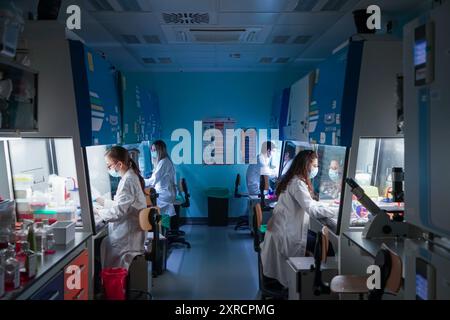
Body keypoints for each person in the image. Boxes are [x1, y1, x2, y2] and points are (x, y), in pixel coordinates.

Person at [260, 150, 338, 288]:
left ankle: (309, 283)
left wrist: (327, 205)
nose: (316, 168)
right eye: (314, 165)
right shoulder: (297, 184)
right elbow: (311, 209)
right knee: (328, 248)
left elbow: (309, 203)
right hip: (287, 233)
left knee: (319, 242)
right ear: (306, 164)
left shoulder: (293, 179)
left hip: (283, 229)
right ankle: (316, 286)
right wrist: (338, 211)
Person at [94, 146, 147, 269]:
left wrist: (98, 212)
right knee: (105, 243)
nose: (108, 169)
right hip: (131, 230)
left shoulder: (128, 181)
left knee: (105, 244)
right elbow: (123, 204)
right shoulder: (130, 176)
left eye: (109, 166)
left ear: (119, 164)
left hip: (129, 236)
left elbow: (118, 212)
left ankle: (110, 283)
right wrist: (102, 201)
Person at [144, 140, 177, 217]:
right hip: (166, 192)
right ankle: (158, 225)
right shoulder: (164, 161)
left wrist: (140, 181)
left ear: (160, 151)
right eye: (152, 150)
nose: (153, 152)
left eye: (155, 150)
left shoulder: (163, 162)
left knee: (146, 204)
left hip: (165, 195)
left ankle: (157, 226)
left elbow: (153, 180)